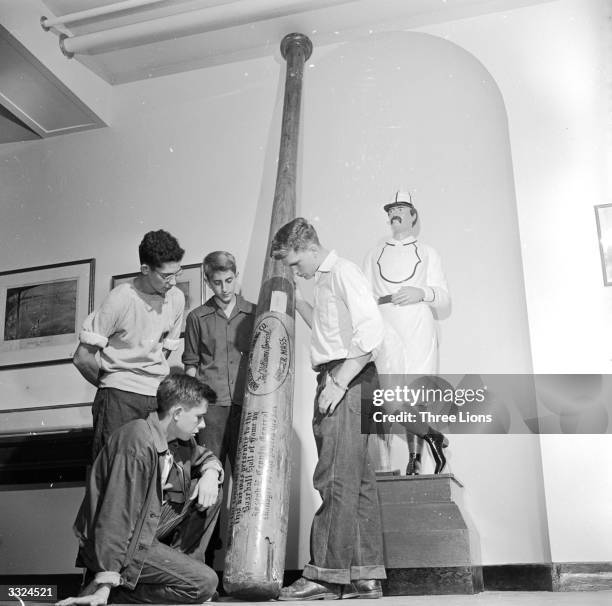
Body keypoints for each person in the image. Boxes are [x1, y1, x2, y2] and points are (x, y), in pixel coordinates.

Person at [271, 218, 386, 601]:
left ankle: (324, 575)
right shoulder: (323, 281)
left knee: (334, 477)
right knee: (358, 481)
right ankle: (365, 577)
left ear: (308, 248)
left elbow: (370, 332)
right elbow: (329, 330)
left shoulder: (343, 271)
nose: (293, 270)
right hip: (346, 376)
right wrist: (297, 302)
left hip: (347, 378)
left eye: (292, 262)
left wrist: (337, 384)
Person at [57, 374, 224, 606]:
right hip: (121, 540)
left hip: (146, 527)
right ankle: (118, 593)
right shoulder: (136, 442)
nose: (203, 425)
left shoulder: (179, 438)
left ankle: (182, 571)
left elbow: (204, 457)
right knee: (205, 584)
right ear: (177, 413)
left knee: (210, 490)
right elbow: (116, 515)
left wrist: (211, 473)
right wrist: (105, 583)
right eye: (199, 417)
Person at [73, 229, 186, 459]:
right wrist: (113, 385)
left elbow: (161, 352)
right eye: (166, 276)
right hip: (118, 400)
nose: (172, 282)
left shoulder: (176, 298)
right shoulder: (121, 298)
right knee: (114, 476)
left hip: (156, 397)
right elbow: (82, 357)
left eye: (177, 273)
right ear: (145, 269)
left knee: (154, 475)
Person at [364, 191, 451, 474]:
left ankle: (414, 458)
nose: (395, 213)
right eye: (391, 209)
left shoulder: (428, 253)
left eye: (401, 208)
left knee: (417, 394)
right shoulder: (374, 253)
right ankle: (384, 462)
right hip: (385, 325)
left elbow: (444, 299)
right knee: (385, 395)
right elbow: (363, 297)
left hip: (417, 327)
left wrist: (421, 292)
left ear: (413, 215)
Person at [182, 250, 255, 564]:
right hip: (210, 412)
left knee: (246, 484)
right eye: (217, 282)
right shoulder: (197, 317)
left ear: (235, 276)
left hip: (246, 409)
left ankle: (245, 562)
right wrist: (191, 410)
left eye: (229, 280)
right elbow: (190, 368)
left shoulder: (254, 312)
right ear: (208, 281)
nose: (224, 288)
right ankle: (203, 569)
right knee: (208, 483)